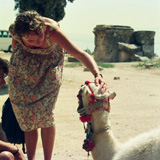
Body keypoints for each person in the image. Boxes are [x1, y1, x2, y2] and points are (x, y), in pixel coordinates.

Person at [8, 10, 108, 160]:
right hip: (22, 77)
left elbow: (80, 54)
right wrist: (15, 62)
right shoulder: (15, 30)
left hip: (48, 74)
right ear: (21, 35)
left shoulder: (52, 32)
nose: (37, 43)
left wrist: (97, 74)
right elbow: (15, 46)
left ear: (43, 29)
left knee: (46, 117)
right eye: (31, 41)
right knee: (28, 120)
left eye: (39, 37)